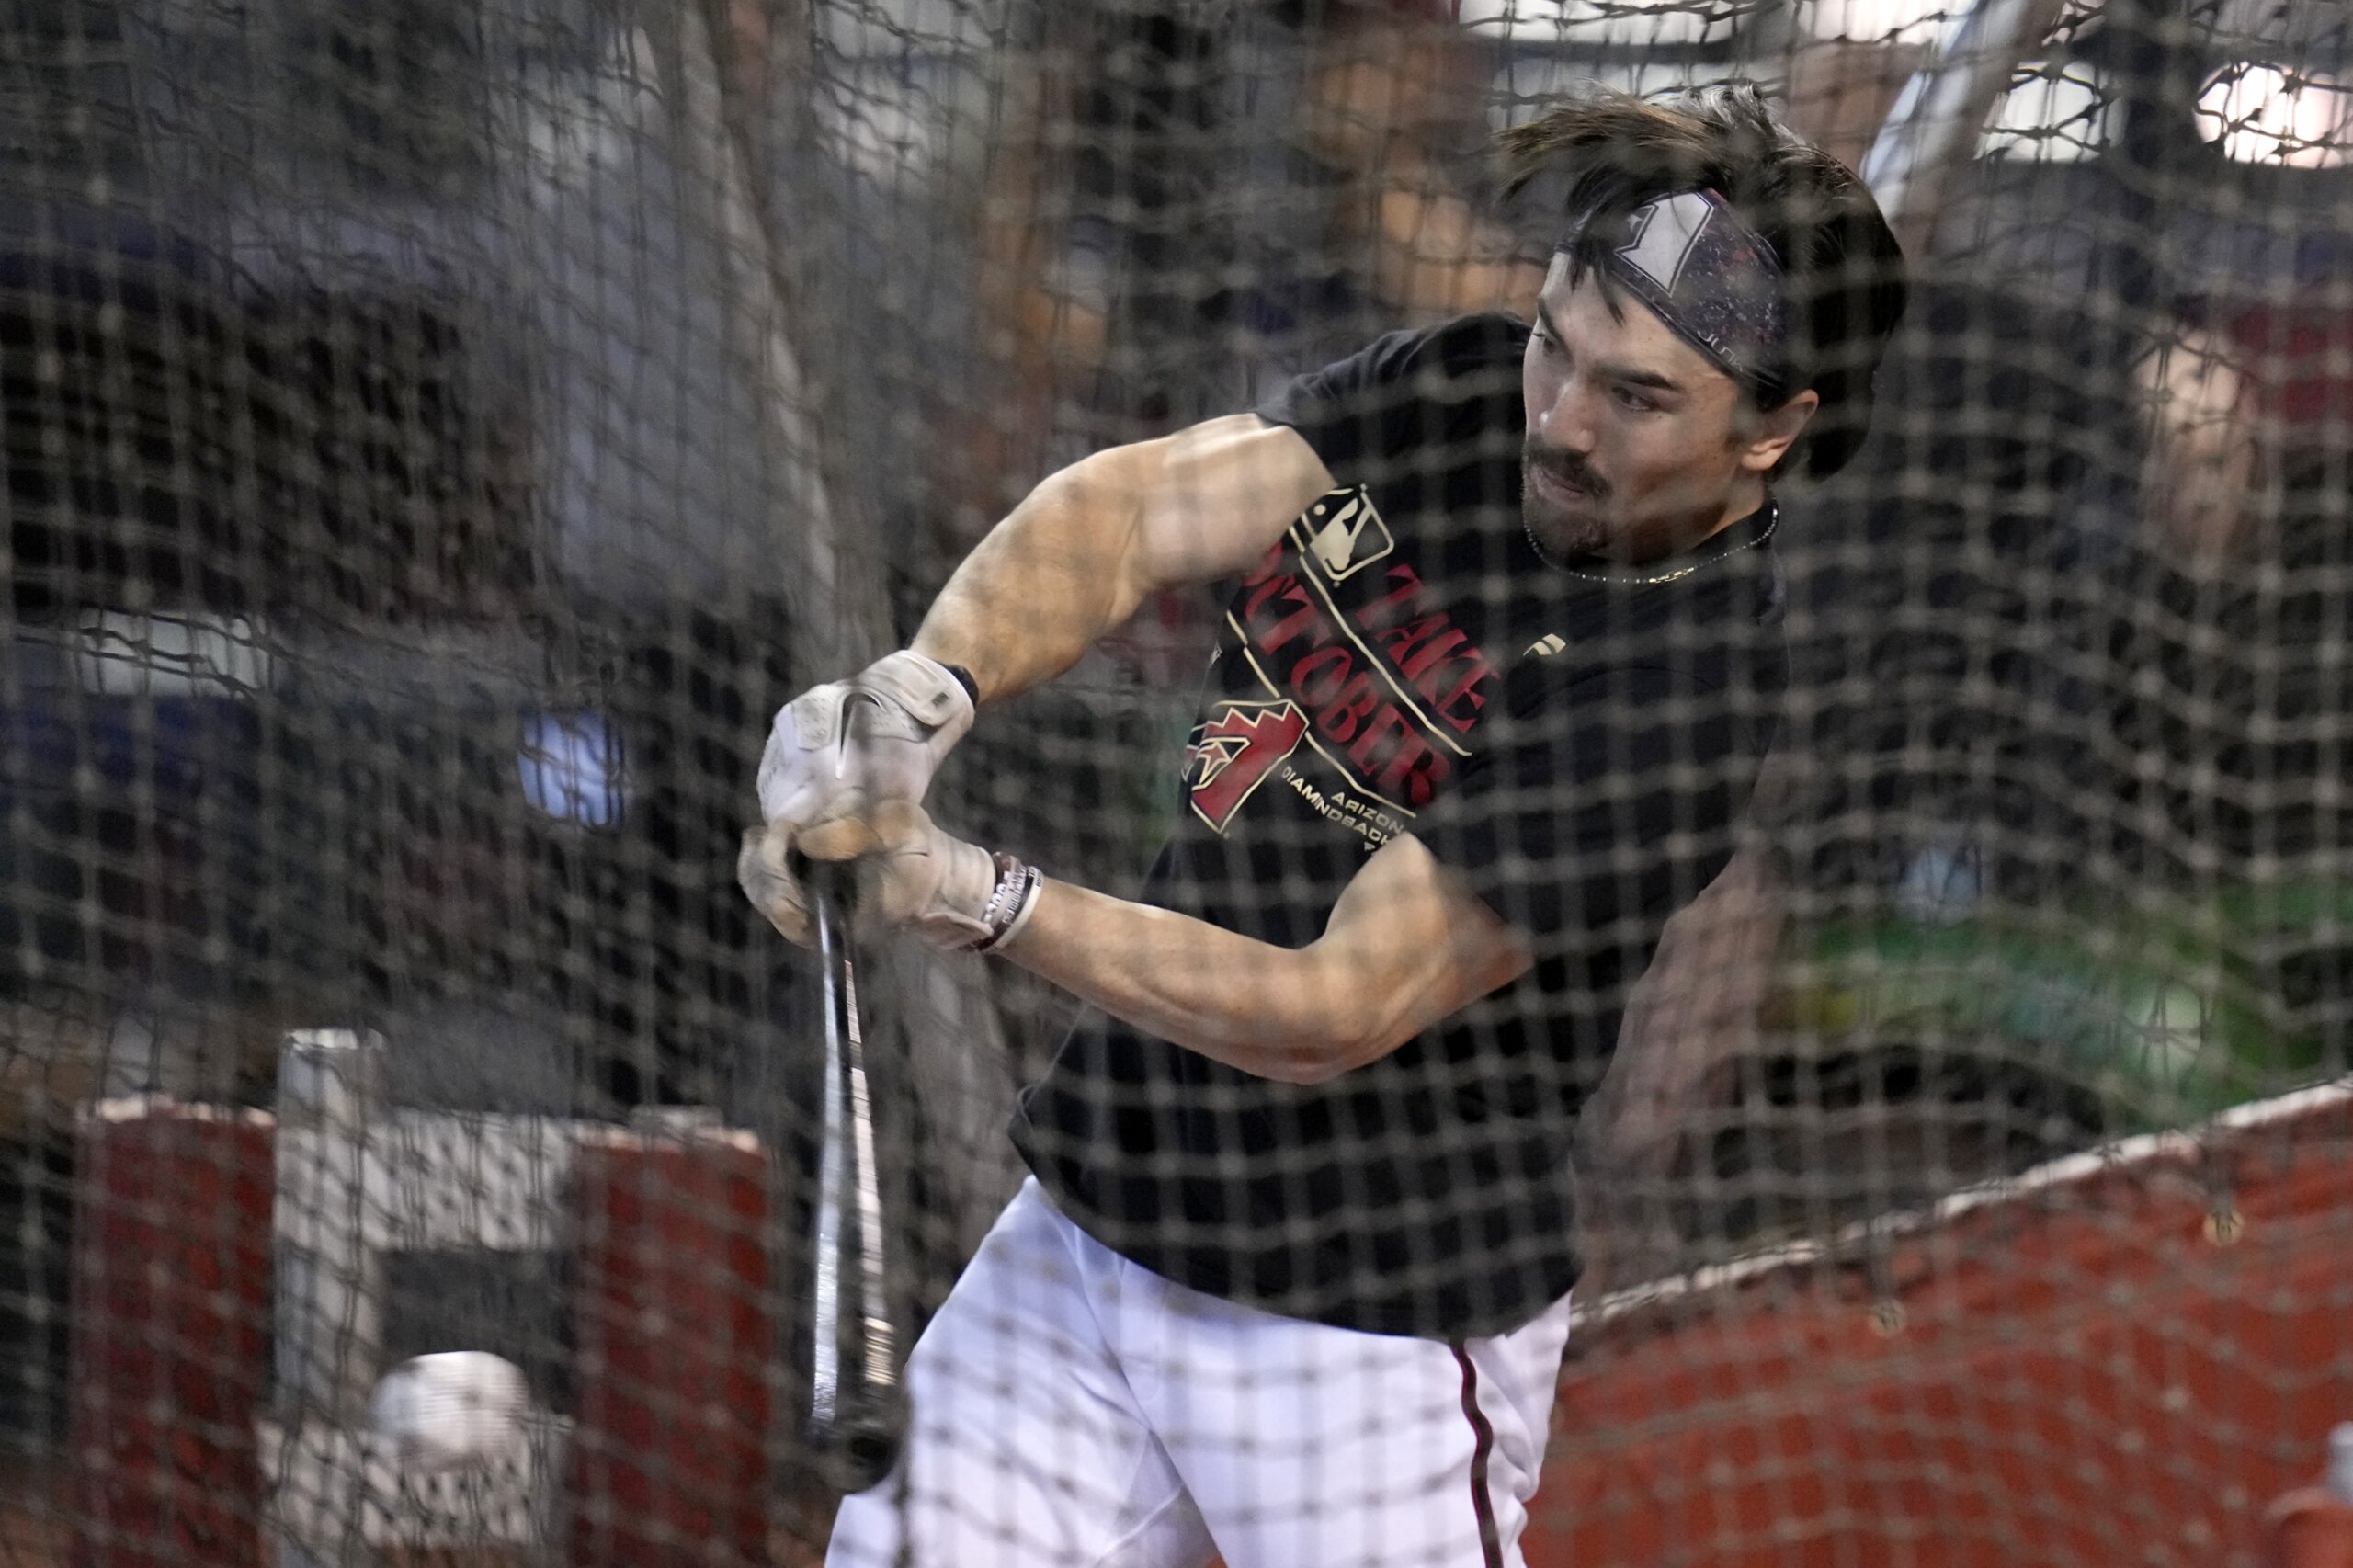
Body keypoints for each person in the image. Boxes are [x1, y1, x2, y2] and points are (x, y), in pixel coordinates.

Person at [739, 84, 1907, 1568]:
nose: (1558, 420)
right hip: (1112, 1207)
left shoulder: (1687, 691)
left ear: (1774, 431)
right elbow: (1135, 513)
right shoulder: (1462, 394)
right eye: (1559, 341)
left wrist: (973, 892)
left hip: (1366, 1331)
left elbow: (1333, 1003)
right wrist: (921, 696)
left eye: (1641, 398)